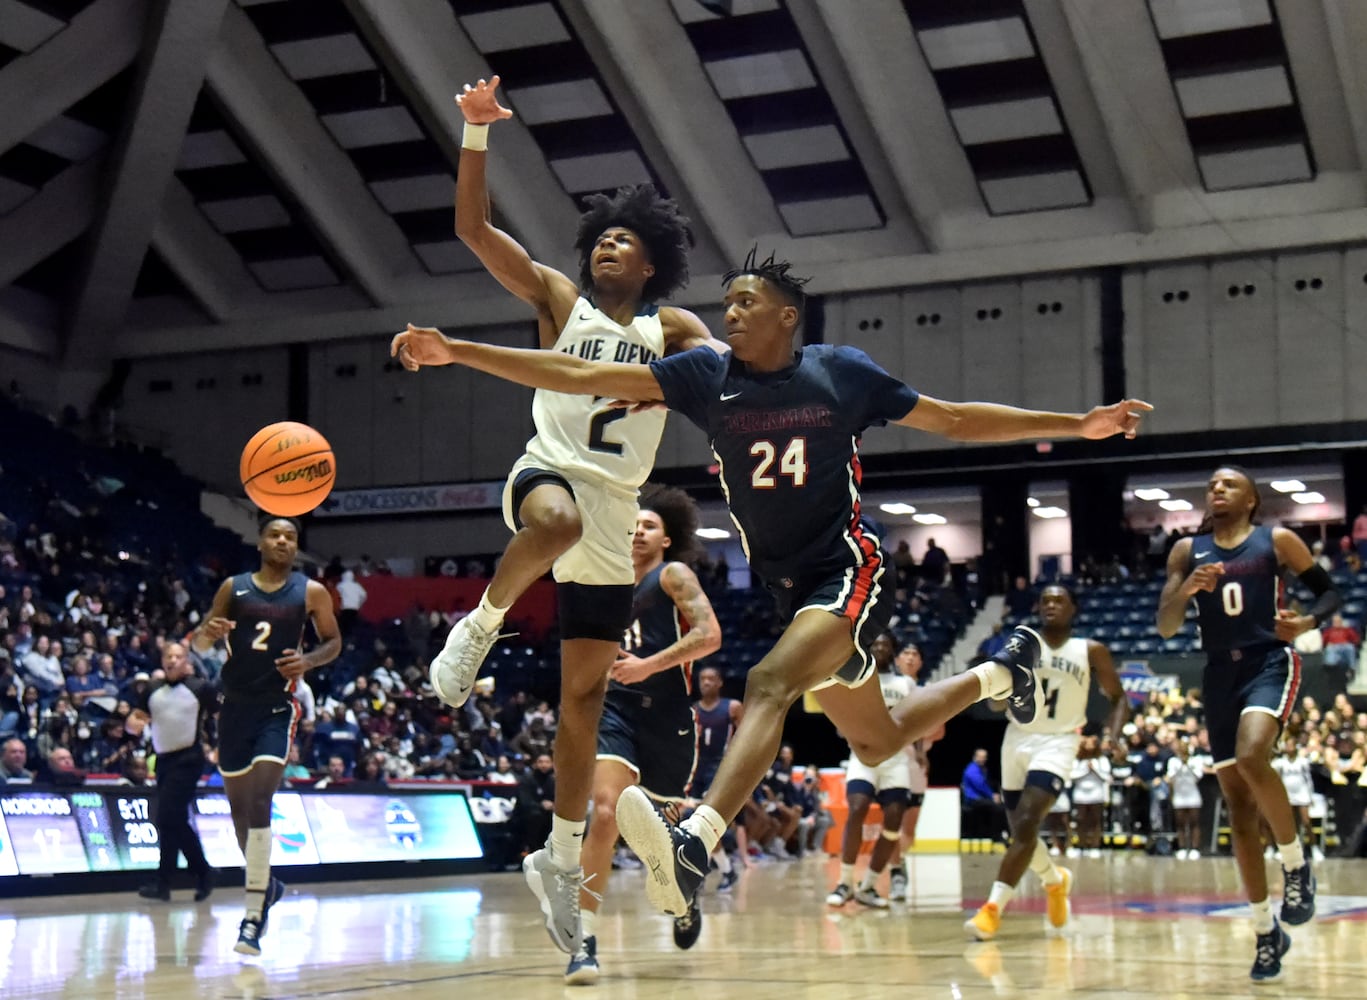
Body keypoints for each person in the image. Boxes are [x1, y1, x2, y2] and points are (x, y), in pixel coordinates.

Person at [393, 247, 1151, 920]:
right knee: (877, 733)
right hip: (784, 588)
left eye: (745, 303)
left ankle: (697, 840)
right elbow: (578, 371)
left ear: (787, 317)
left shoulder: (838, 372)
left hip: (844, 568)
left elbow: (952, 419)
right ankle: (1000, 669)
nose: (729, 313)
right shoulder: (703, 374)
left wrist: (1075, 423)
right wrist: (457, 350)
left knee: (765, 683)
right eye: (725, 304)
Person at [401, 75, 717, 958]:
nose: (607, 245)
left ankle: (559, 856)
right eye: (600, 236)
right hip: (547, 477)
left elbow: (730, 379)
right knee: (559, 521)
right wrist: (473, 134)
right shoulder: (554, 300)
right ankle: (482, 620)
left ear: (651, 261)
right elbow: (473, 231)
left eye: (625, 239)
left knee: (583, 698)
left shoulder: (677, 329)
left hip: (617, 515)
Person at [1156, 466, 1338, 982]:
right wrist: (1187, 588)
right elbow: (1165, 626)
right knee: (1238, 809)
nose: (1216, 489)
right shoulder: (1186, 552)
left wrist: (1307, 622)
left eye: (1229, 484)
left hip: (1268, 661)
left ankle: (1296, 865)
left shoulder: (1275, 541)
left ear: (1252, 500)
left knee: (1255, 754)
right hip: (1218, 674)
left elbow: (1330, 594)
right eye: (1212, 484)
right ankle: (1265, 930)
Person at [565, 484, 721, 985]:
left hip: (670, 719)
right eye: (631, 523)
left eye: (648, 525)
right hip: (617, 710)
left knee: (661, 835)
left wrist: (648, 666)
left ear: (667, 539)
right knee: (606, 812)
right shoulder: (607, 583)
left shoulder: (672, 575)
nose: (637, 530)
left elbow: (710, 635)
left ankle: (681, 894)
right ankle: (584, 940)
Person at [192, 517, 341, 957]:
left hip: (277, 709)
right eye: (275, 534)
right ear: (260, 542)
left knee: (260, 800)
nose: (282, 541)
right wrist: (209, 634)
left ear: (296, 546)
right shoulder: (232, 588)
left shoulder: (311, 592)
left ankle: (252, 917)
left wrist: (309, 661)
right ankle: (268, 883)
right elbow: (200, 644)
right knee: (240, 812)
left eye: (290, 536)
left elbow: (333, 642)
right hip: (233, 709)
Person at [966, 584, 1126, 940]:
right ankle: (1055, 881)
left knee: (1026, 823)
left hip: (1059, 742)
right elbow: (994, 703)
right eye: (1046, 601)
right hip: (1017, 738)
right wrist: (1000, 694)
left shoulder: (1090, 651)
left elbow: (1118, 698)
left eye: (1059, 601)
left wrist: (1111, 736)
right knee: (1020, 832)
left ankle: (991, 910)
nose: (1051, 605)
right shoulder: (1020, 646)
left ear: (1073, 608)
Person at [825, 633, 916, 910]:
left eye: (885, 645)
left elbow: (916, 718)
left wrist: (919, 751)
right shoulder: (857, 679)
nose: (879, 648)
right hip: (863, 756)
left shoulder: (905, 684)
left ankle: (869, 885)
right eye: (875, 644)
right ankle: (845, 882)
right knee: (857, 808)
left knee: (893, 820)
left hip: (896, 758)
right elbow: (841, 720)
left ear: (892, 651)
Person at [129, 641, 216, 902]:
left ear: (186, 660)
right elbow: (134, 722)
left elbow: (223, 717)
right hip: (163, 760)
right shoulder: (152, 689)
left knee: (168, 815)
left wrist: (219, 749)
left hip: (189, 758)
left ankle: (196, 872)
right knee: (171, 820)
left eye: (178, 656)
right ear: (162, 660)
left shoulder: (200, 688)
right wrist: (133, 723)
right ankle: (171, 881)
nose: (173, 660)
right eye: (169, 655)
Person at [691, 663, 745, 886]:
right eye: (702, 678)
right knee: (691, 824)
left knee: (703, 822)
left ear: (720, 682)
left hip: (720, 769)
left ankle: (711, 869)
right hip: (696, 770)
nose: (706, 682)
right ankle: (723, 869)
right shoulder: (693, 710)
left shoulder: (732, 707)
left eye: (711, 678)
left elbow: (745, 740)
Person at [1167, 738, 1205, 860]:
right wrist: (1180, 766)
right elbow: (1171, 777)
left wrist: (1188, 765)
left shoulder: (1196, 760)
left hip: (1193, 794)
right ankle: (1182, 848)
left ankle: (1195, 848)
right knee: (1180, 823)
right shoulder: (1172, 761)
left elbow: (1198, 777)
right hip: (1179, 795)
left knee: (1194, 822)